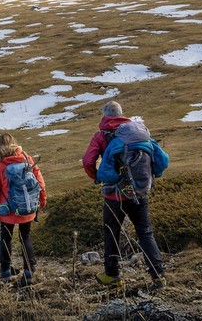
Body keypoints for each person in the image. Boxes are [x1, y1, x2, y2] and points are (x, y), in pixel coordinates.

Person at [82, 100, 165, 291]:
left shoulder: (101, 136)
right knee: (145, 231)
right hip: (139, 191)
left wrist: (97, 177)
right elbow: (161, 158)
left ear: (104, 115)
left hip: (114, 195)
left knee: (112, 232)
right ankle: (158, 275)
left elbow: (88, 161)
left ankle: (113, 276)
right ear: (121, 114)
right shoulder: (138, 133)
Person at [0, 133, 46, 286]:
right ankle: (29, 272)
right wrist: (42, 200)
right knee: (26, 237)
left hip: (7, 210)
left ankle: (5, 273)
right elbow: (39, 182)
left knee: (5, 237)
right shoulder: (26, 157)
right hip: (27, 207)